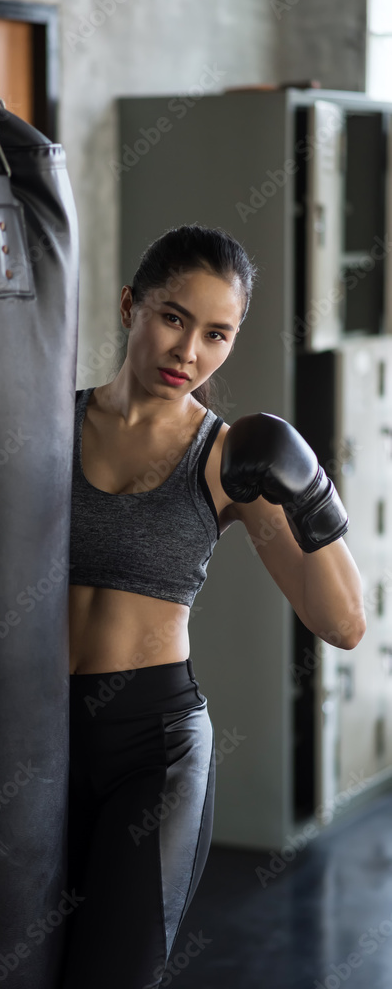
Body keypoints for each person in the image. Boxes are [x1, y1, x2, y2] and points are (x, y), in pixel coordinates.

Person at [59, 223, 366, 989]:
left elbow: (342, 623)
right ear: (131, 305)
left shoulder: (227, 459)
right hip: (31, 734)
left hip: (152, 748)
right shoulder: (43, 426)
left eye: (215, 334)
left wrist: (313, 497)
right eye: (172, 317)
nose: (187, 352)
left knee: (111, 976)